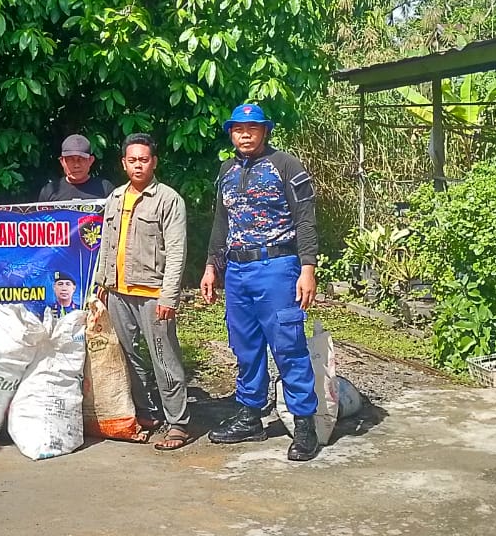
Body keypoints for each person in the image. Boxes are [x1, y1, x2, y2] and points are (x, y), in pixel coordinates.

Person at [201, 103, 322, 462]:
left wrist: (308, 267)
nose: (245, 134)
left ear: (264, 131)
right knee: (245, 346)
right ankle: (250, 415)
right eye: (238, 129)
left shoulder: (287, 166)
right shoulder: (226, 170)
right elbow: (221, 224)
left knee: (288, 345)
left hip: (277, 267)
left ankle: (304, 425)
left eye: (252, 128)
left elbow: (305, 220)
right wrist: (211, 266)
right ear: (231, 133)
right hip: (238, 272)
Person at [92, 133, 191, 451]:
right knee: (126, 355)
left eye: (144, 159)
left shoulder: (168, 199)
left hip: (152, 294)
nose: (138, 165)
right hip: (118, 292)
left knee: (164, 358)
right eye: (132, 160)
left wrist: (169, 296)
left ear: (154, 162)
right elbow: (106, 245)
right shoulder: (116, 198)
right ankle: (147, 414)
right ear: (124, 163)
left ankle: (177, 423)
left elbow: (176, 251)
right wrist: (102, 285)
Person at [38, 134, 114, 201]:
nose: (76, 165)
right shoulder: (49, 191)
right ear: (62, 161)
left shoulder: (105, 189)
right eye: (70, 159)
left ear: (90, 160)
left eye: (81, 159)